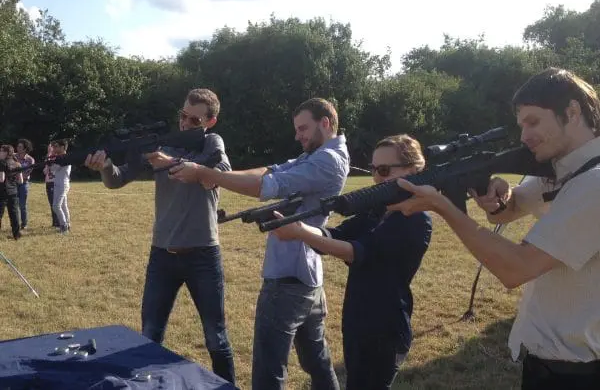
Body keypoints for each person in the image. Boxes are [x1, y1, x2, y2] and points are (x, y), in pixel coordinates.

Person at [393, 67, 600, 389]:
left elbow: (516, 269)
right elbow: (505, 212)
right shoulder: (560, 168)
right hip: (551, 362)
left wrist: (443, 206)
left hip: (580, 372)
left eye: (533, 122)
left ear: (572, 112)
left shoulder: (593, 182)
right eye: (521, 125)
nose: (524, 136)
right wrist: (498, 195)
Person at [169, 97, 349, 390]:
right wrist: (219, 176)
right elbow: (270, 170)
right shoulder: (319, 154)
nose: (298, 136)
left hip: (288, 278)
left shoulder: (327, 160)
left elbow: (267, 186)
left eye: (303, 128)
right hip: (307, 275)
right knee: (317, 361)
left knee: (268, 369)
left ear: (325, 123)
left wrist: (204, 173)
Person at [83, 88, 236, 385]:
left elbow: (219, 175)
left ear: (210, 122)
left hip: (202, 254)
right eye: (183, 116)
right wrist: (105, 166)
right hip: (162, 255)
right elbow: (117, 180)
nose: (185, 123)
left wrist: (167, 161)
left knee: (216, 338)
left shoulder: (211, 142)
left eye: (194, 120)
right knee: (150, 335)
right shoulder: (161, 144)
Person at [269, 134, 433, 390]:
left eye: (384, 170)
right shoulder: (379, 209)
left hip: (386, 329)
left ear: (412, 170)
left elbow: (355, 252)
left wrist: (300, 232)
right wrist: (298, 225)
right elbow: (336, 234)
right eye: (374, 169)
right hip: (358, 322)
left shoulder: (416, 220)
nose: (377, 177)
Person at [0, 144, 23, 240]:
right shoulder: (17, 163)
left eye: (1, 151)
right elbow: (21, 181)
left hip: (2, 192)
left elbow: (1, 179)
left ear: (6, 152)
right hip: (13, 191)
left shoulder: (2, 163)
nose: (0, 153)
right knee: (14, 213)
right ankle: (16, 234)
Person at [49, 139, 71, 233]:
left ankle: (64, 226)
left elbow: (53, 168)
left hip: (62, 184)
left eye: (56, 146)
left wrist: (50, 161)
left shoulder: (64, 158)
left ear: (62, 147)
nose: (54, 148)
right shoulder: (61, 157)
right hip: (60, 183)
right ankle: (67, 225)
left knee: (56, 206)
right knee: (63, 206)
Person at [15, 138, 35, 230]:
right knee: (14, 205)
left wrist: (16, 175)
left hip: (24, 184)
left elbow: (26, 173)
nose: (17, 148)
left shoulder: (30, 160)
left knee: (22, 205)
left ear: (25, 149)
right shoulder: (13, 157)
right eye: (18, 146)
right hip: (13, 184)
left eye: (20, 147)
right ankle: (15, 223)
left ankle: (24, 223)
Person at [43, 142, 60, 228]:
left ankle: (59, 222)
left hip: (55, 182)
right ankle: (55, 222)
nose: (49, 150)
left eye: (51, 148)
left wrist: (49, 155)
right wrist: (48, 158)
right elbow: (45, 171)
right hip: (48, 183)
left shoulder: (58, 158)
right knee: (52, 203)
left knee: (56, 203)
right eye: (49, 148)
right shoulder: (48, 158)